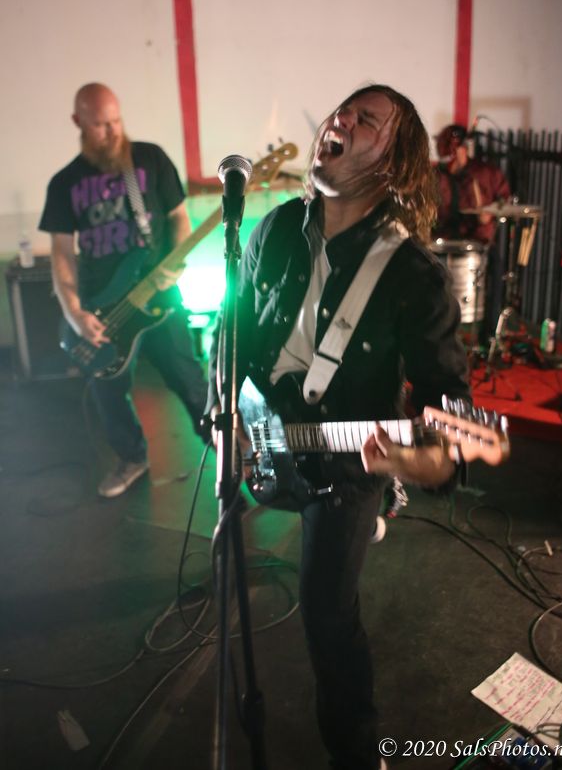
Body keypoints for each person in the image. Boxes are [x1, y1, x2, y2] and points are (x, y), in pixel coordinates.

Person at [206, 84, 471, 770]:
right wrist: (227, 416)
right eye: (344, 109)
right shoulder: (272, 230)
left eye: (367, 120)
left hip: (346, 464)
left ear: (392, 163)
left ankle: (357, 753)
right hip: (268, 435)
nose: (341, 118)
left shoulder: (414, 275)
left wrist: (424, 461)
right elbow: (229, 332)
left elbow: (450, 419)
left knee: (326, 614)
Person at [39, 83, 208, 497]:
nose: (113, 132)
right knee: (110, 394)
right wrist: (74, 312)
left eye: (116, 121)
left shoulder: (149, 159)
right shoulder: (65, 183)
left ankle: (227, 449)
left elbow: (178, 218)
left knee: (190, 380)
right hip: (102, 308)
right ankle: (132, 458)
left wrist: (176, 264)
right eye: (101, 125)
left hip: (160, 301)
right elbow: (62, 253)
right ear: (78, 122)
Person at [433, 123, 511, 340]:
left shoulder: (485, 172)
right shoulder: (437, 175)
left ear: (463, 148)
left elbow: (504, 199)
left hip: (478, 241)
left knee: (496, 271)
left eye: (453, 150)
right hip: (445, 240)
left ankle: (489, 334)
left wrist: (490, 212)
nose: (450, 157)